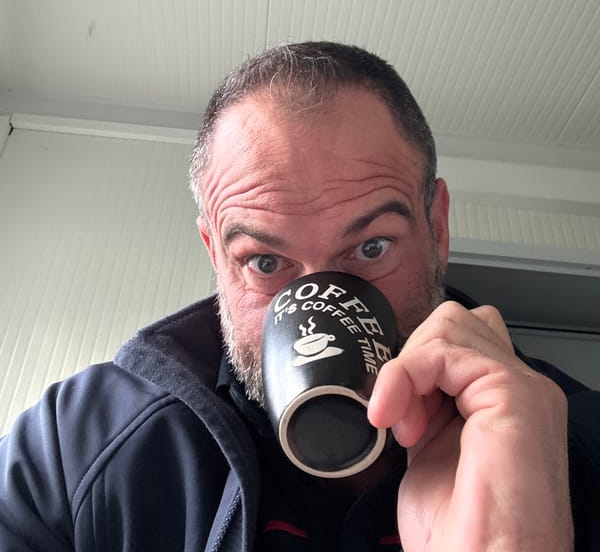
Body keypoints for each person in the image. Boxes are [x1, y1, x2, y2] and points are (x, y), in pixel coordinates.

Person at [0, 41, 598, 551]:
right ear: (216, 255)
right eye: (265, 261)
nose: (319, 299)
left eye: (371, 248)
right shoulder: (79, 444)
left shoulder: (580, 439)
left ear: (435, 226)